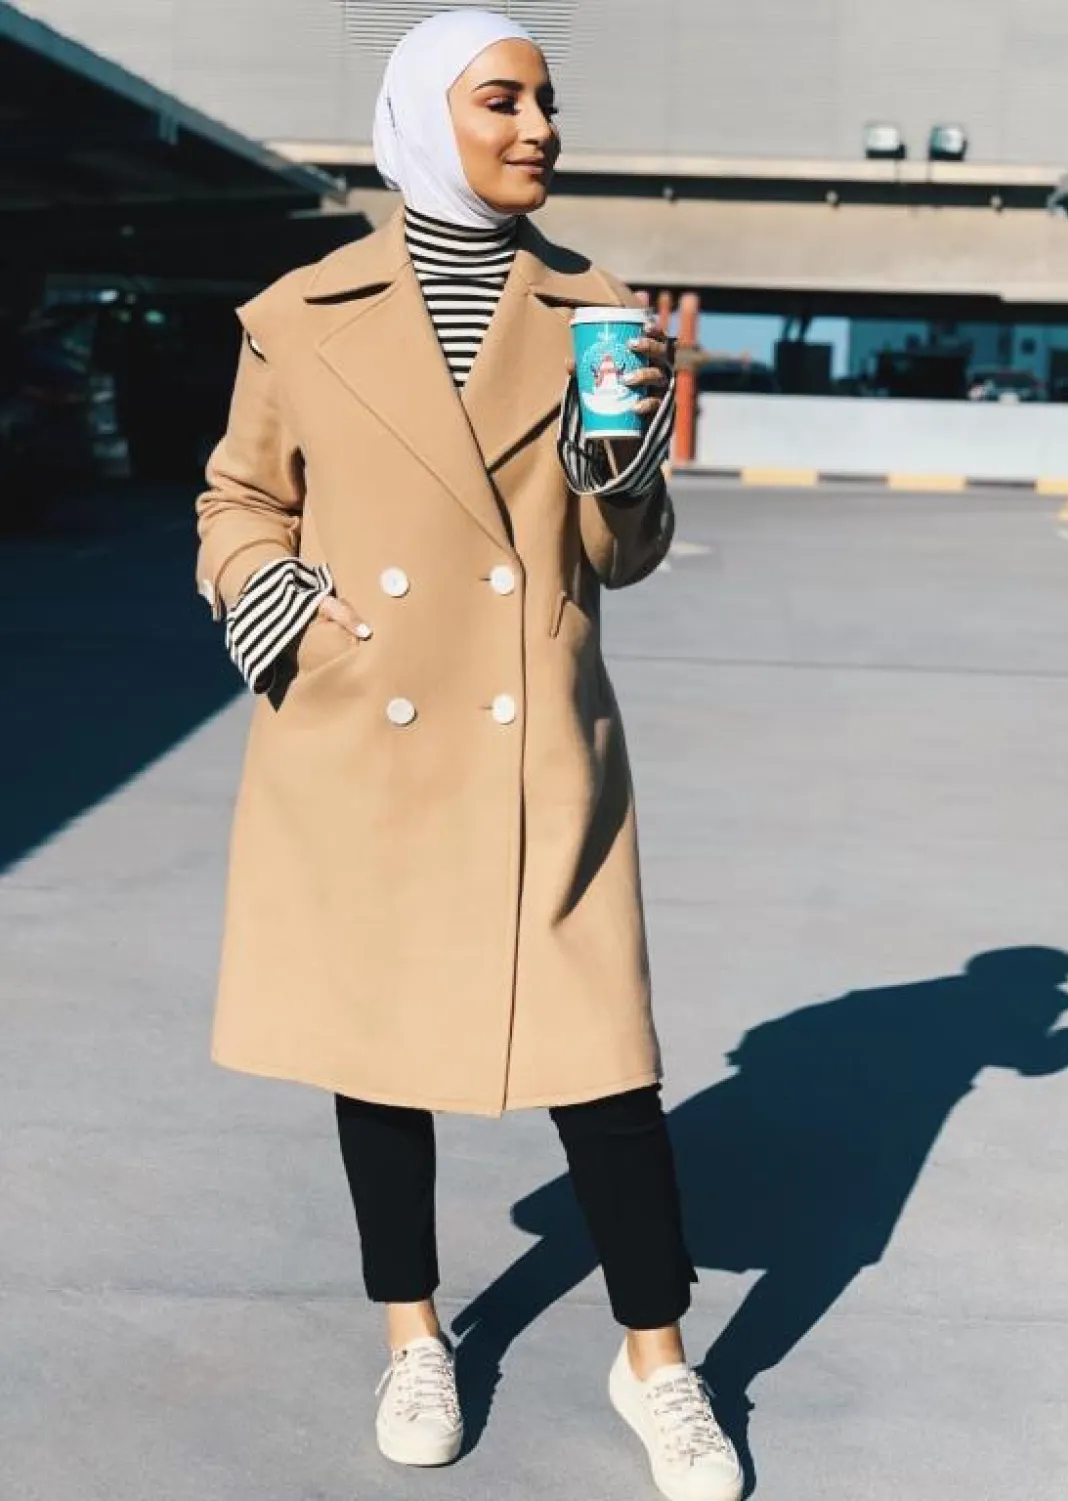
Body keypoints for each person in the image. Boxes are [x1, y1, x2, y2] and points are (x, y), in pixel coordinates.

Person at [194, 10, 742, 1499]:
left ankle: (659, 1363)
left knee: (606, 1067)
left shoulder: (595, 306)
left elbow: (622, 555)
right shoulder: (301, 311)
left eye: (548, 102)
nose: (539, 128)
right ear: (424, 116)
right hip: (364, 730)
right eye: (503, 100)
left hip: (536, 739)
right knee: (377, 1060)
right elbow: (239, 497)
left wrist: (625, 474)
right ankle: (414, 1335)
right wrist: (270, 595)